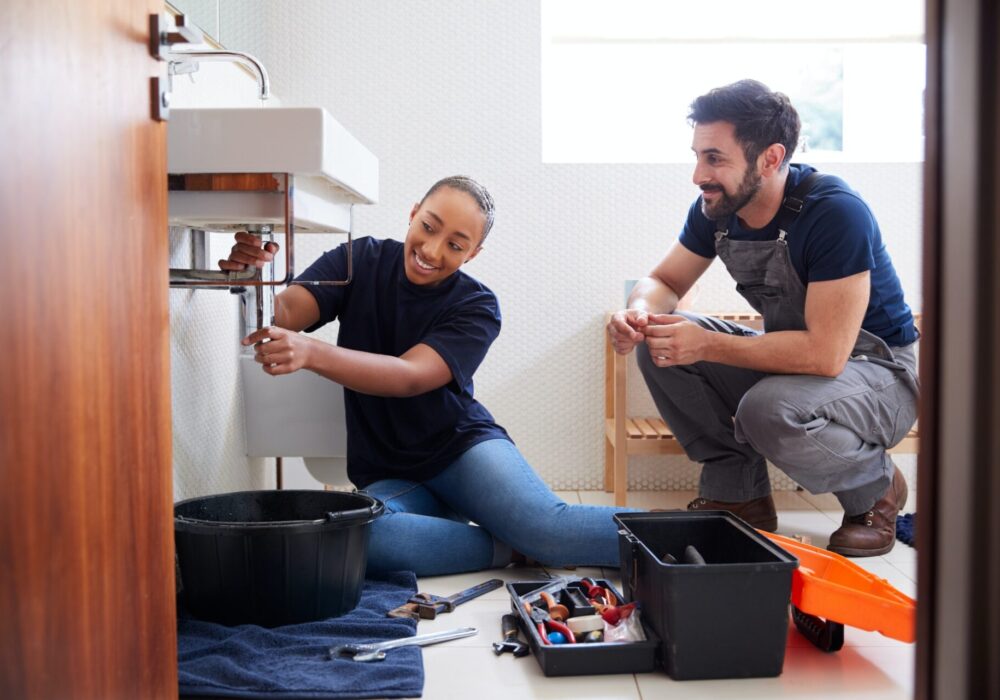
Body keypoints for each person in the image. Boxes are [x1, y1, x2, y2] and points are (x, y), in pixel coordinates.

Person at [224, 175, 637, 576]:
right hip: (389, 471)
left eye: (456, 245)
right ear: (413, 212)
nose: (433, 251)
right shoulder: (358, 260)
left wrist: (312, 352)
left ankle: (685, 534)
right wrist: (253, 277)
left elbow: (409, 376)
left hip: (462, 451)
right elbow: (288, 311)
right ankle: (509, 546)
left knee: (548, 529)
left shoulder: (477, 305)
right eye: (428, 227)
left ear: (472, 254)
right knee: (363, 534)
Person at [607, 80, 919, 557]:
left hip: (880, 373)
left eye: (715, 158)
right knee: (661, 344)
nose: (698, 174)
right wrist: (640, 313)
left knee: (766, 408)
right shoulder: (718, 207)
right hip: (800, 363)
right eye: (697, 155)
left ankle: (874, 490)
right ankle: (742, 496)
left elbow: (826, 354)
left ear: (771, 158)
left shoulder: (835, 213)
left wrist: (707, 344)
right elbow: (665, 282)